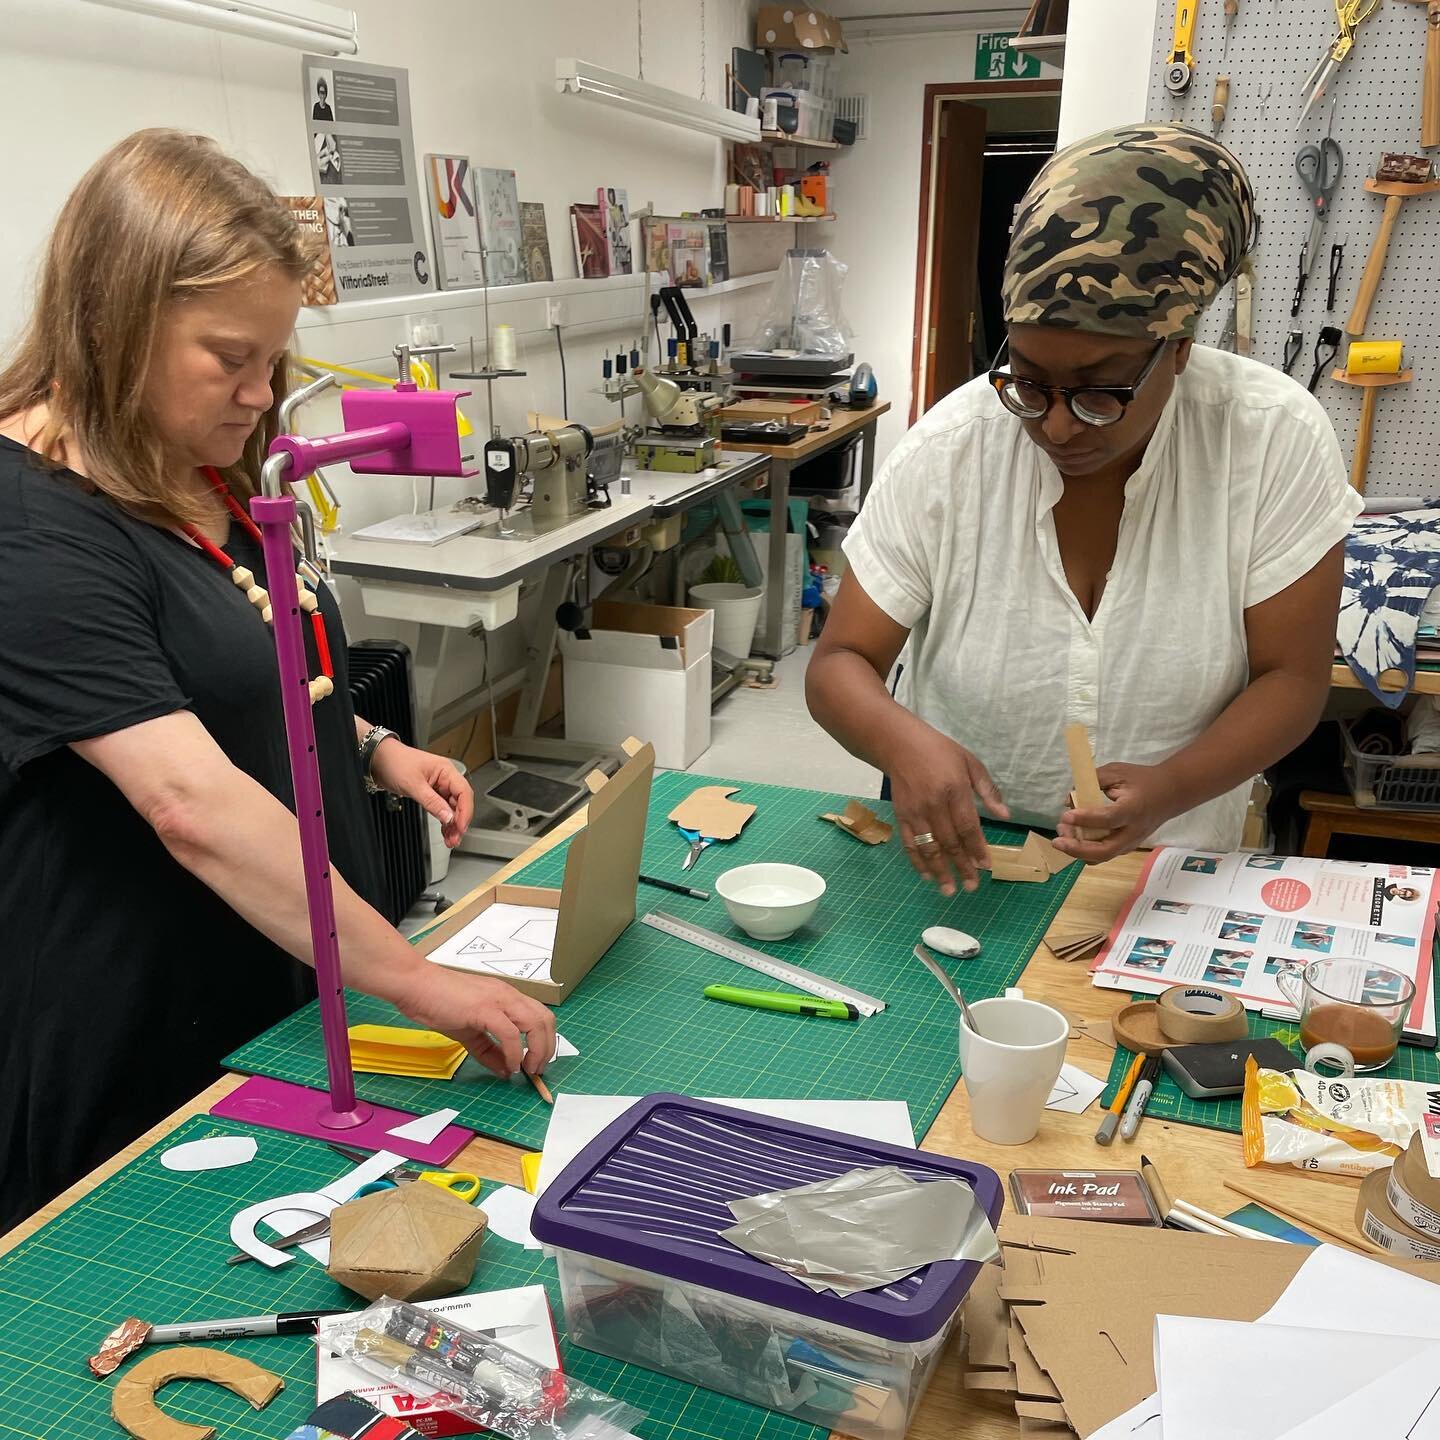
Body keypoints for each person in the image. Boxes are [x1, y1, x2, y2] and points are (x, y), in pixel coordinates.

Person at [0, 130, 554, 1233]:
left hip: (280, 981)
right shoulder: (33, 527)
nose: (262, 393)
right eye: (229, 357)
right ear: (112, 323)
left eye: (275, 359)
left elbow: (253, 673)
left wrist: (369, 749)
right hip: (141, 1032)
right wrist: (414, 976)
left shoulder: (191, 460)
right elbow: (187, 802)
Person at [807, 125, 1360, 894]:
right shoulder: (952, 448)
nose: (1058, 425)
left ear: (1179, 348)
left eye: (1101, 389)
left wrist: (1170, 788)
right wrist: (900, 742)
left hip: (1170, 861)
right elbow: (839, 665)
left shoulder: (1271, 440)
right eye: (1028, 381)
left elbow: (1292, 680)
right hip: (967, 855)